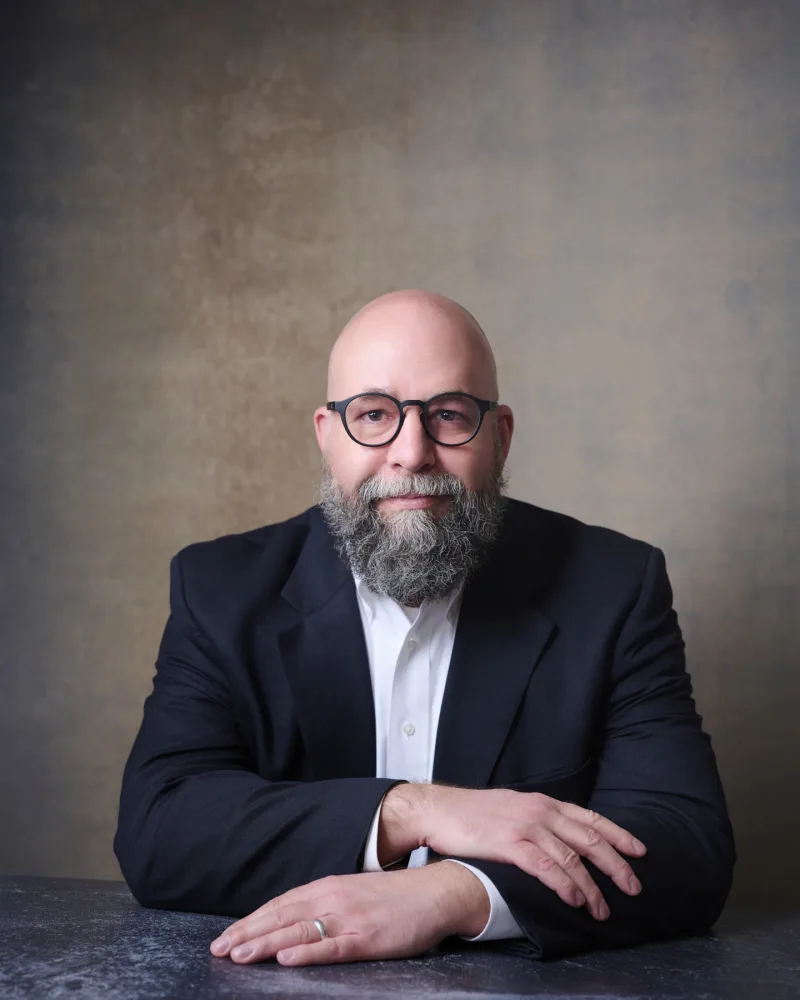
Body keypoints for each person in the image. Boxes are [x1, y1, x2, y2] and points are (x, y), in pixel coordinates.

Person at [114, 290, 735, 966]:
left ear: (499, 436)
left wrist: (451, 894)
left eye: (448, 415)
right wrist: (411, 813)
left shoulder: (614, 588)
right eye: (374, 414)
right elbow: (162, 828)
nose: (412, 453)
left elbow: (685, 847)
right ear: (327, 435)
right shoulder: (220, 589)